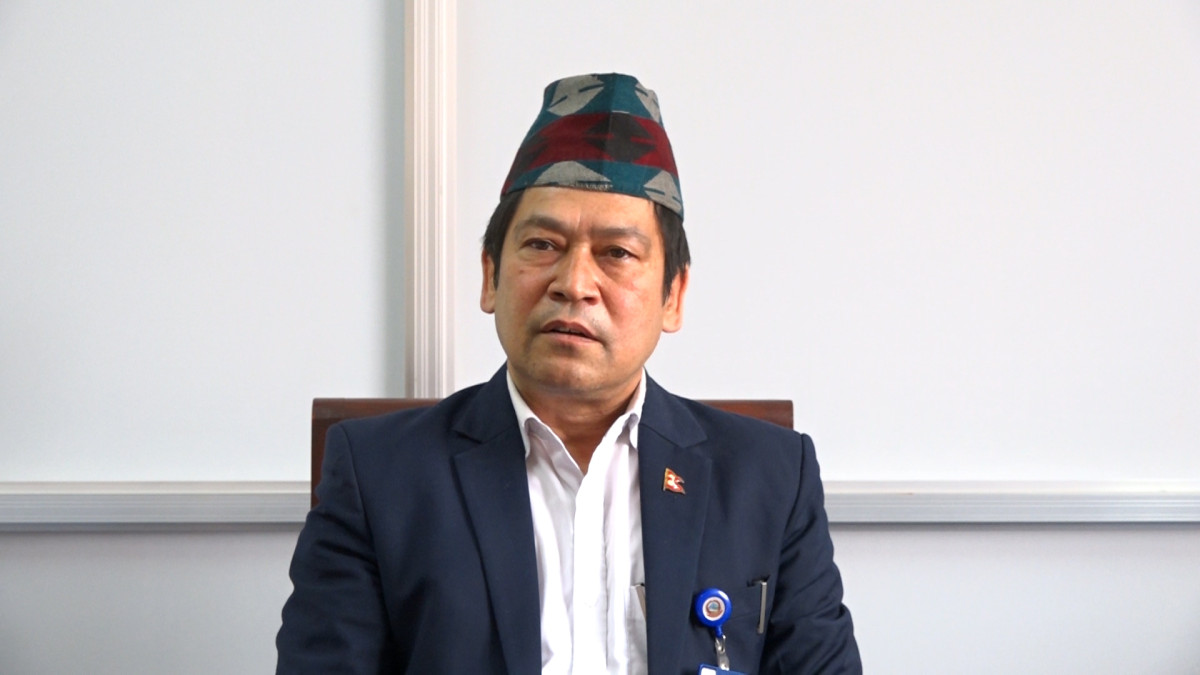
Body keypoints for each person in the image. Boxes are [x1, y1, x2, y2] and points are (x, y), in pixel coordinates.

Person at [277, 72, 860, 674]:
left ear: (673, 296)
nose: (574, 283)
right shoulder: (380, 475)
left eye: (617, 253)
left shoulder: (769, 478)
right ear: (489, 275)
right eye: (542, 245)